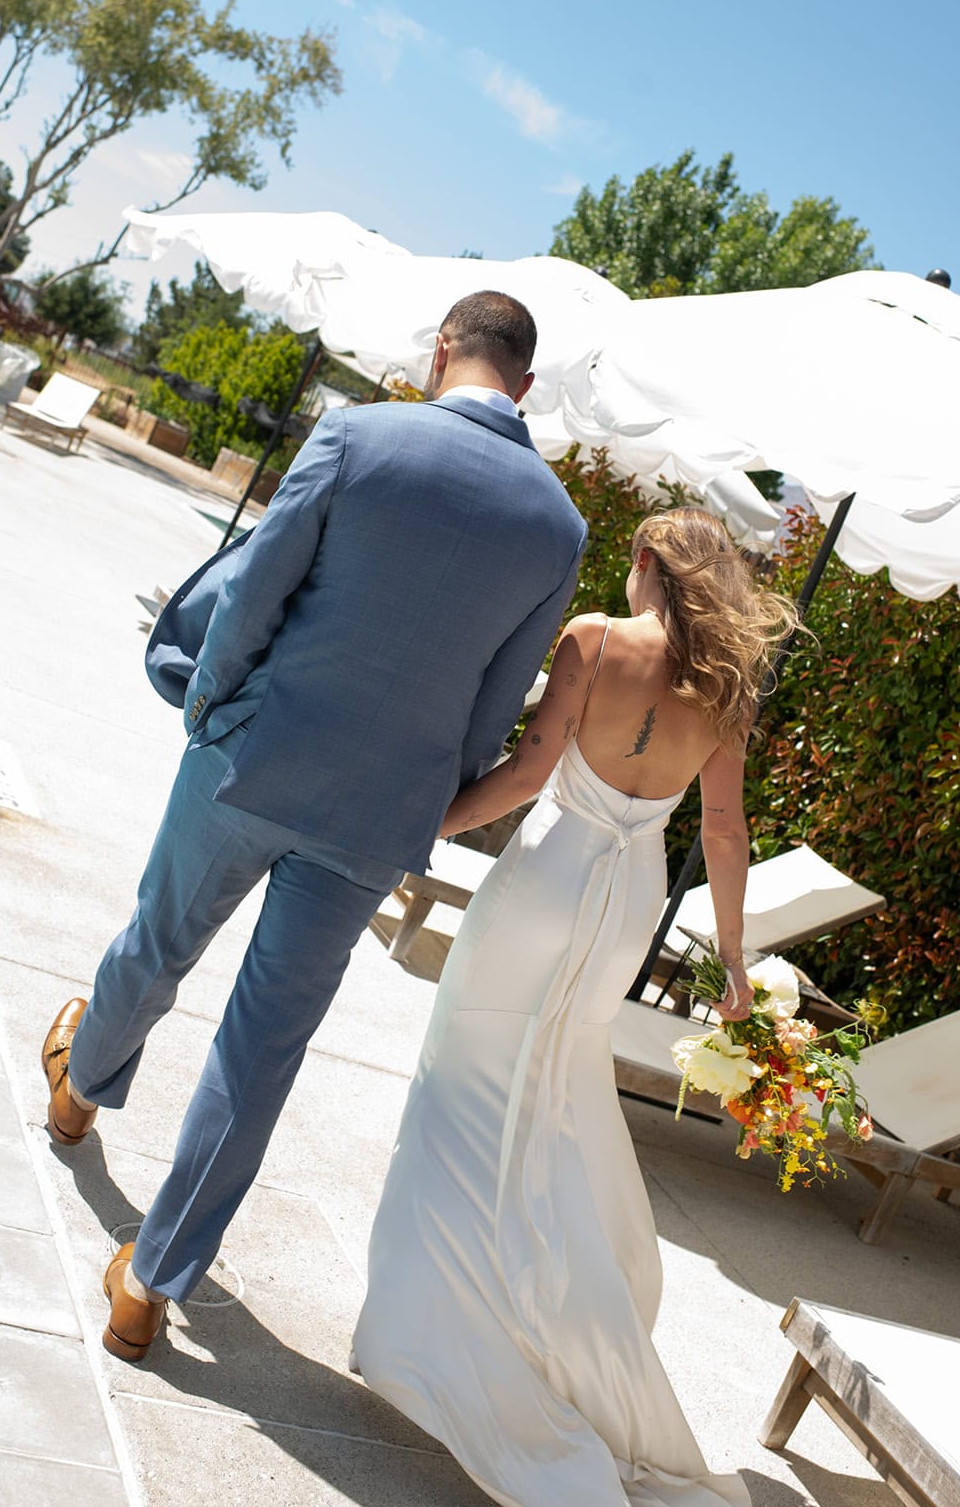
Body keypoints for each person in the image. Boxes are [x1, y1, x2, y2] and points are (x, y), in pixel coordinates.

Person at [39, 291, 587, 1361]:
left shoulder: (357, 433)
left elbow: (256, 594)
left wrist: (207, 707)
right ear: (522, 388)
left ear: (442, 352)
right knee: (264, 1046)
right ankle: (148, 1285)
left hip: (252, 757)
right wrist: (415, 805)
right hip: (376, 818)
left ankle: (80, 1091)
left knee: (161, 938)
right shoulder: (558, 529)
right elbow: (492, 706)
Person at [353, 507, 799, 1507]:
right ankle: (560, 1320)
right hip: (624, 908)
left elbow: (523, 774)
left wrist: (412, 826)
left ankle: (448, 1339)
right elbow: (721, 834)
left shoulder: (593, 639)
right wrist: (731, 962)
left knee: (455, 1094)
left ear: (643, 563)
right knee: (554, 1100)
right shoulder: (724, 689)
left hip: (545, 884)